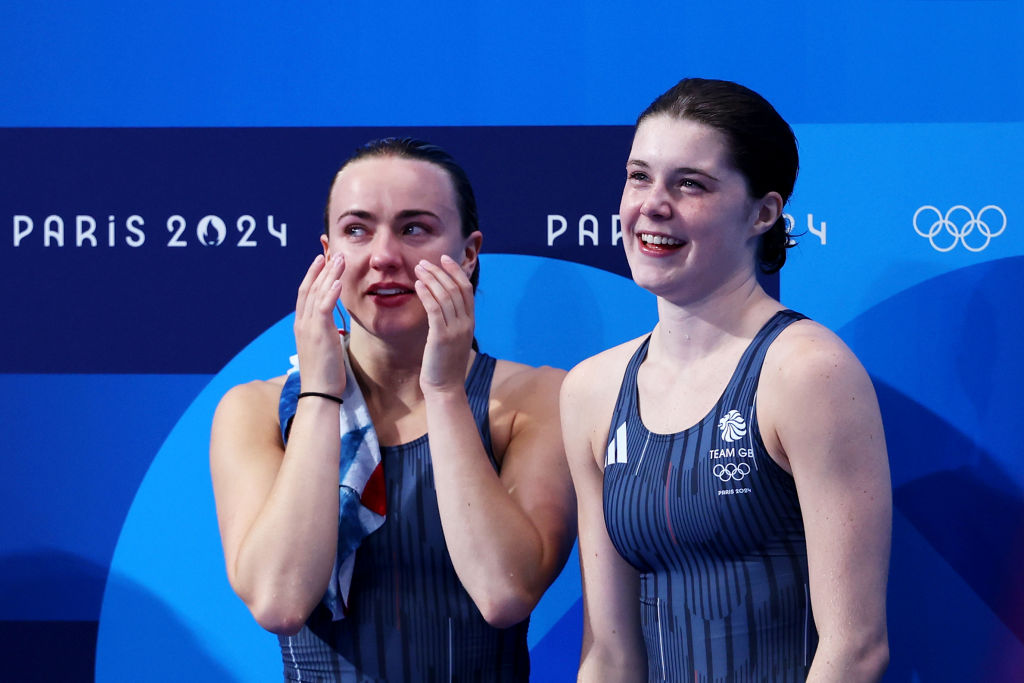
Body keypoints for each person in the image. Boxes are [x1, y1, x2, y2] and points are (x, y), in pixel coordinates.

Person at [561, 78, 891, 682]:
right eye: (640, 176)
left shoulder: (806, 372)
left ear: (763, 213)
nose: (652, 204)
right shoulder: (592, 389)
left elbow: (855, 648)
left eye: (690, 184)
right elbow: (608, 653)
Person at [210, 137, 576, 681]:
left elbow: (504, 593)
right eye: (356, 230)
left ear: (469, 253)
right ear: (327, 253)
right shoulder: (256, 410)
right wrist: (318, 396)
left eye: (414, 229)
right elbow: (279, 601)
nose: (383, 256)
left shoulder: (536, 402)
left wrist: (447, 393)